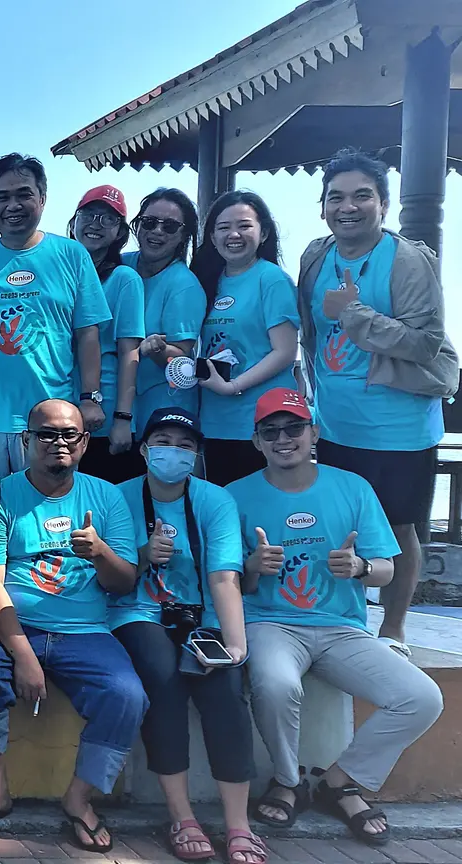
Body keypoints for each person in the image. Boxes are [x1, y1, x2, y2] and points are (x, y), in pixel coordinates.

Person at [230, 388, 441, 847]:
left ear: (314, 433)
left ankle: (339, 780)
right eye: (271, 431)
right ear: (257, 441)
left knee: (422, 697)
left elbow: (387, 564)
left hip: (342, 628)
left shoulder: (353, 487)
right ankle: (288, 781)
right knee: (276, 683)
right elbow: (222, 581)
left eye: (294, 428)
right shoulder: (234, 496)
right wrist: (251, 567)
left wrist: (362, 568)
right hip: (270, 622)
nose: (283, 438)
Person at [296, 148, 458, 654]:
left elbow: (425, 343)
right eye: (336, 197)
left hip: (400, 425)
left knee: (398, 525)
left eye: (362, 195)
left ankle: (393, 627)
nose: (349, 206)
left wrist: (356, 315)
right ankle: (343, 618)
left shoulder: (408, 260)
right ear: (322, 206)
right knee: (341, 523)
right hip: (337, 422)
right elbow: (311, 335)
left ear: (382, 204)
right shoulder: (315, 256)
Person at [0, 399, 143, 853]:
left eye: (68, 434)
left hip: (86, 631)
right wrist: (23, 656)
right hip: (8, 627)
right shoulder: (2, 498)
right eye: (45, 434)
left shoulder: (106, 496)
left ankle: (79, 798)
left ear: (84, 443)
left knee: (127, 696)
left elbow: (124, 582)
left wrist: (100, 552)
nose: (57, 443)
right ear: (26, 441)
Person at [110, 409, 261, 864]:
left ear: (196, 455)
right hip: (137, 611)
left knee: (224, 685)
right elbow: (111, 578)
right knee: (162, 677)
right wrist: (141, 556)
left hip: (203, 615)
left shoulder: (216, 501)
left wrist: (236, 645)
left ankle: (239, 823)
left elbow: (223, 577)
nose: (172, 452)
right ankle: (182, 815)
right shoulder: (118, 497)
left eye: (184, 444)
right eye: (162, 440)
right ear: (143, 448)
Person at [0, 155, 111, 477]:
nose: (13, 205)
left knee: (46, 515)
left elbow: (88, 334)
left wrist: (90, 398)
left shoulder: (72, 255)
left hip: (51, 420)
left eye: (23, 195)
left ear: (42, 199)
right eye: (2, 197)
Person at [191, 191, 298, 485]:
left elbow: (285, 351)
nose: (233, 234)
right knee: (225, 515)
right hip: (214, 420)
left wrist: (234, 386)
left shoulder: (272, 279)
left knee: (262, 516)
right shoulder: (206, 280)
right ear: (212, 237)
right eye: (223, 228)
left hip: (262, 421)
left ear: (263, 233)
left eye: (244, 226)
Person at [69, 186, 145, 482]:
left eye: (108, 219)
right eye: (89, 214)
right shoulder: (61, 272)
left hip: (107, 412)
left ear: (120, 233)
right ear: (74, 220)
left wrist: (123, 419)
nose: (96, 224)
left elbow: (130, 353)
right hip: (63, 408)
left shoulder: (124, 279)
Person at [124, 189, 206, 432]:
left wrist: (158, 349)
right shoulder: (120, 265)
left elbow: (182, 359)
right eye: (149, 222)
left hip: (161, 415)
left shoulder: (185, 285)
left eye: (170, 226)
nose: (157, 231)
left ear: (184, 235)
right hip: (115, 408)